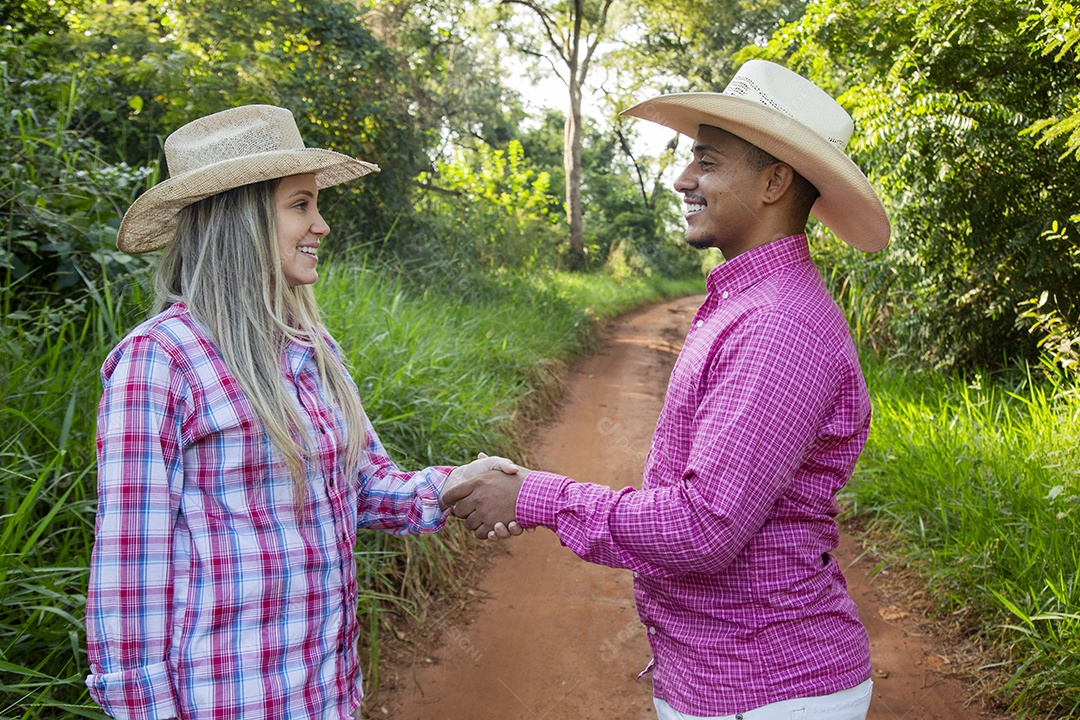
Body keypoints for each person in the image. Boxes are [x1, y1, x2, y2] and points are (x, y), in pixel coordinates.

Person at [442, 60, 891, 720]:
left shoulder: (775, 324)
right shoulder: (751, 303)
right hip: (738, 679)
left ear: (774, 181)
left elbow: (703, 527)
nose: (683, 180)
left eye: (706, 162)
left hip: (764, 688)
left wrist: (537, 495)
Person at [85, 104, 516, 720]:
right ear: (239, 217)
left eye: (315, 204)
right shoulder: (160, 362)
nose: (321, 225)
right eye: (300, 205)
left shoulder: (310, 347)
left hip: (324, 692)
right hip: (223, 700)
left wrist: (454, 486)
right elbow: (131, 570)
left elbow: (364, 487)